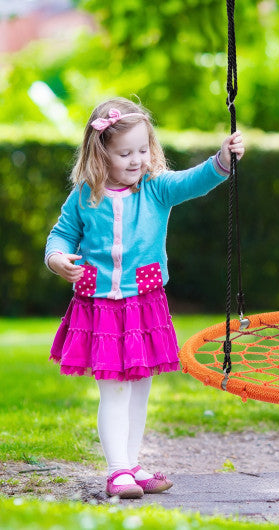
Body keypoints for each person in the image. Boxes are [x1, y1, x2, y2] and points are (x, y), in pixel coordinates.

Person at [45, 97, 244, 499]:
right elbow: (61, 234)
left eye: (142, 150)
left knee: (139, 388)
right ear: (100, 154)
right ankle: (117, 470)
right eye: (124, 153)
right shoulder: (85, 196)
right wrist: (57, 259)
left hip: (143, 303)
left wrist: (222, 159)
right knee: (114, 388)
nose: (136, 160)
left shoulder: (155, 189)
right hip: (99, 306)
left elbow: (195, 179)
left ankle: (132, 464)